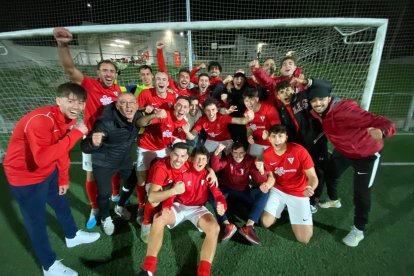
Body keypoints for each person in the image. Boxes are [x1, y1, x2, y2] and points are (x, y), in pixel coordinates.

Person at [3, 83, 100, 276]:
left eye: (81, 102)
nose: (77, 106)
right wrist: (76, 134)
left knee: (62, 204)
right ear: (58, 101)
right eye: (70, 101)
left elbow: (61, 151)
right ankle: (49, 266)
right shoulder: (40, 120)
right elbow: (42, 158)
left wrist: (63, 177)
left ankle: (72, 236)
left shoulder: (69, 120)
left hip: (49, 172)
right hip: (25, 178)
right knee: (36, 222)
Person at [307, 79, 396, 247]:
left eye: (321, 99)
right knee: (331, 173)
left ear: (328, 98)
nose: (317, 103)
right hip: (344, 150)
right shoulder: (316, 112)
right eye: (313, 100)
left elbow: (383, 121)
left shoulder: (345, 110)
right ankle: (334, 200)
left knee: (361, 194)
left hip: (366, 155)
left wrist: (383, 131)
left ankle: (358, 230)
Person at [53, 27, 121, 229]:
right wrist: (63, 45)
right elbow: (70, 70)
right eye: (105, 70)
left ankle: (116, 197)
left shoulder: (119, 90)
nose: (109, 73)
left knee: (114, 171)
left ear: (116, 74)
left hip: (113, 139)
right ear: (98, 73)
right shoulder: (89, 85)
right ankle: (94, 209)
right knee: (91, 175)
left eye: (112, 71)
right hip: (92, 139)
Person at [139, 146, 226, 276]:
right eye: (198, 159)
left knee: (215, 228)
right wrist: (166, 207)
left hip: (197, 208)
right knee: (158, 218)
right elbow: (173, 193)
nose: (200, 162)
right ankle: (148, 269)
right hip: (178, 205)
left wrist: (222, 204)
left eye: (203, 159)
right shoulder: (183, 170)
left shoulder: (208, 175)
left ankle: (203, 273)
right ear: (191, 159)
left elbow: (218, 195)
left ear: (207, 161)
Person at [80, 92, 149, 235]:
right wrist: (92, 143)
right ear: (117, 106)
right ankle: (105, 217)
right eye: (124, 103)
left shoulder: (136, 115)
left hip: (124, 159)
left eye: (132, 102)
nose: (128, 106)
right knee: (104, 194)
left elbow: (142, 119)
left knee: (131, 181)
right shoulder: (106, 122)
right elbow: (85, 146)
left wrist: (150, 112)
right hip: (104, 161)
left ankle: (120, 206)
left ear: (137, 105)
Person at [261, 125, 318, 244]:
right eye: (274, 136)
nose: (277, 140)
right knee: (265, 223)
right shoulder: (266, 154)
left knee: (304, 239)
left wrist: (310, 187)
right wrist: (267, 184)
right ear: (269, 139)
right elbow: (272, 177)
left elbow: (313, 177)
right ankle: (283, 207)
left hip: (299, 192)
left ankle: (298, 210)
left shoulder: (299, 151)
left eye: (280, 136)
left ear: (286, 137)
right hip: (279, 190)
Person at [210, 142, 271, 245]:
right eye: (235, 153)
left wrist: (261, 171)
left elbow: (260, 181)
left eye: (241, 153)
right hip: (227, 190)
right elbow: (216, 167)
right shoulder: (228, 159)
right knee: (213, 194)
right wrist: (216, 153)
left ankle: (249, 226)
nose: (238, 156)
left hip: (243, 191)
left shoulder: (250, 160)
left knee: (264, 191)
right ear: (231, 152)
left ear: (245, 152)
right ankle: (226, 225)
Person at [242, 88, 280, 158]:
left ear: (256, 99)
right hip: (256, 143)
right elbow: (249, 128)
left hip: (270, 143)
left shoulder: (270, 109)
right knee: (254, 164)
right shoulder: (246, 113)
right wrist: (249, 136)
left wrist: (268, 135)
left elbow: (277, 129)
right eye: (246, 101)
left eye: (251, 100)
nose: (249, 103)